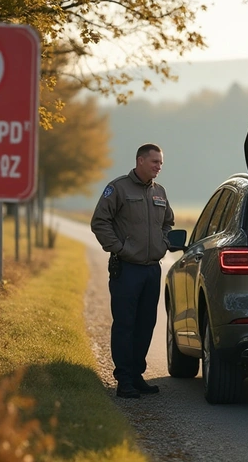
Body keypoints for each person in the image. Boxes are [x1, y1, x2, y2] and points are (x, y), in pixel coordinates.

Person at [91, 143, 174, 399]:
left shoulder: (159, 191)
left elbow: (168, 222)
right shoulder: (118, 188)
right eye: (155, 162)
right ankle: (124, 379)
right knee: (125, 323)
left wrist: (164, 243)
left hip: (151, 270)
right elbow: (99, 221)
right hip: (127, 269)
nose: (159, 167)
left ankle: (137, 375)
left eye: (161, 162)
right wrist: (120, 249)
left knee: (146, 323)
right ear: (140, 161)